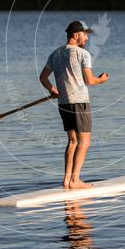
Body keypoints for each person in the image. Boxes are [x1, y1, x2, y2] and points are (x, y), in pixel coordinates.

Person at [39, 20, 109, 189]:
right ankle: (75, 180)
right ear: (76, 35)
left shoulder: (55, 54)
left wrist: (52, 89)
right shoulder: (82, 54)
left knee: (72, 141)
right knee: (84, 141)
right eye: (85, 34)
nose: (86, 38)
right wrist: (102, 79)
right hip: (79, 102)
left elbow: (42, 78)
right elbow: (89, 80)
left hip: (64, 103)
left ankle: (66, 180)